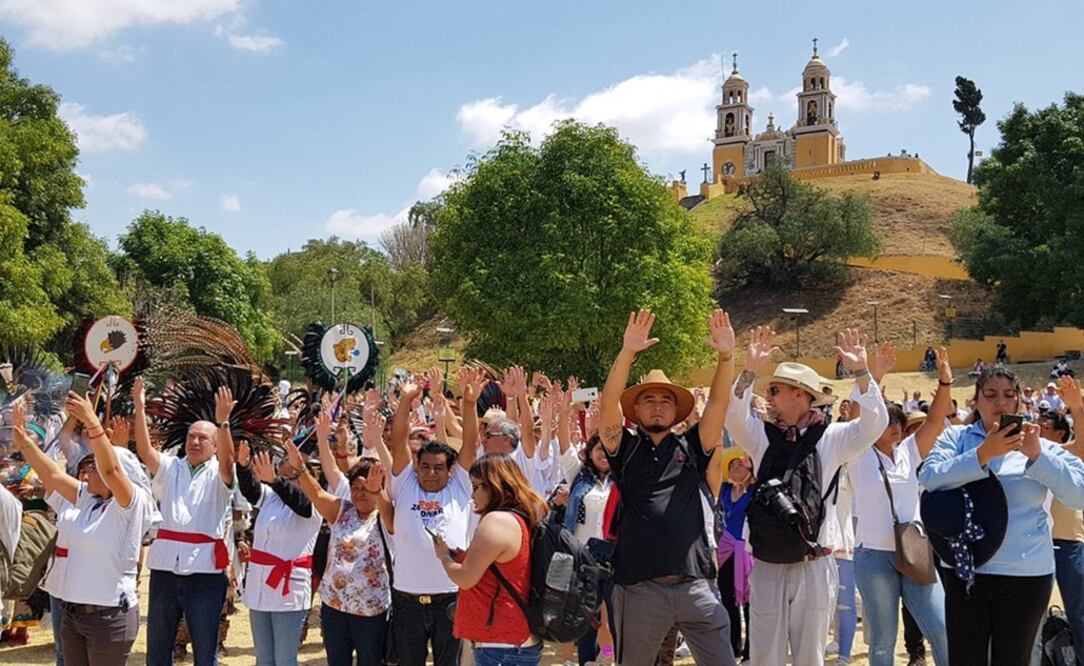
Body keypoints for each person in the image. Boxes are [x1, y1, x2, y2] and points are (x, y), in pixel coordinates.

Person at [724, 326, 888, 666]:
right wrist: (749, 370)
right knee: (764, 655)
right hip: (767, 562)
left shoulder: (832, 438)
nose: (768, 396)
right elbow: (732, 414)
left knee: (809, 656)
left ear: (800, 394)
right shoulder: (762, 437)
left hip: (814, 563)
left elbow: (875, 424)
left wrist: (861, 372)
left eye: (775, 389)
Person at [918, 363, 1084, 665]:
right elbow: (929, 477)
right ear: (976, 400)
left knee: (1014, 660)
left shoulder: (1040, 444)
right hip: (965, 571)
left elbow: (1079, 494)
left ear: (1020, 400)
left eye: (1009, 395)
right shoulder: (956, 438)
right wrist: (983, 453)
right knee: (965, 659)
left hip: (1026, 575)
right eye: (991, 395)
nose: (1001, 402)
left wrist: (1038, 456)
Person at [598, 309, 737, 666]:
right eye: (649, 400)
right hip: (640, 589)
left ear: (677, 411)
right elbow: (607, 403)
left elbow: (719, 403)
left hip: (696, 585)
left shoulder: (693, 445)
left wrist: (726, 357)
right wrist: (628, 352)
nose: (658, 406)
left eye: (665, 401)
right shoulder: (623, 449)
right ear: (636, 411)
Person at [12, 395, 155, 665]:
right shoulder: (87, 498)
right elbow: (52, 475)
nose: (87, 474)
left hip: (109, 617)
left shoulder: (130, 504)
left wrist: (92, 421)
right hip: (73, 614)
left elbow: (112, 470)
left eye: (94, 469)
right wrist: (25, 443)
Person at [850, 346, 953, 666]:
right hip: (873, 555)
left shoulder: (910, 450)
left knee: (942, 627)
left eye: (899, 420)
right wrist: (872, 373)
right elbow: (855, 415)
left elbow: (935, 421)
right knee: (882, 640)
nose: (895, 426)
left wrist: (946, 383)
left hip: (915, 549)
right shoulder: (857, 450)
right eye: (887, 420)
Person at [135, 377, 238, 666]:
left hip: (204, 572)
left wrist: (224, 424)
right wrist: (139, 407)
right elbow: (145, 451)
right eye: (191, 436)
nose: (194, 442)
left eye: (202, 438)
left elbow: (229, 464)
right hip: (165, 569)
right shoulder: (171, 468)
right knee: (157, 649)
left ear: (215, 445)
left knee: (205, 651)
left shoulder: (218, 475)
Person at [387, 374, 479, 666]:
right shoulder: (405, 484)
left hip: (450, 599)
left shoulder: (461, 486)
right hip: (406, 600)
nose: (430, 473)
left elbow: (470, 443)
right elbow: (399, 438)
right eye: (424, 466)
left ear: (451, 470)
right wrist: (405, 400)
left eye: (438, 468)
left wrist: (469, 403)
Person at [286, 434, 393, 666]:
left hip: (370, 611)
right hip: (334, 606)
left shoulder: (386, 516)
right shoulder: (341, 510)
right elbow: (316, 493)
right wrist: (300, 468)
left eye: (367, 488)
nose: (360, 493)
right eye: (355, 487)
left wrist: (378, 494)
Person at [435, 454, 548, 666]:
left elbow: (466, 578)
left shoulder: (496, 521)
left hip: (501, 643)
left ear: (494, 485)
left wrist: (444, 557)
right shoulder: (520, 517)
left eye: (477, 486)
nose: (472, 494)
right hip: (513, 640)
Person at [235, 439, 323, 666]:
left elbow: (298, 500)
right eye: (282, 476)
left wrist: (276, 480)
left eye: (289, 477)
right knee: (264, 659)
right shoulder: (272, 498)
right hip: (260, 586)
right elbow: (251, 491)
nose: (282, 482)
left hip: (288, 591)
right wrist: (243, 467)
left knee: (284, 659)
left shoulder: (314, 505)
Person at [1038, 380, 1084, 666]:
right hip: (1032, 545)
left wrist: (1077, 408)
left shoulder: (1068, 454)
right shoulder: (1023, 456)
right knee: (1030, 619)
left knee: (1080, 613)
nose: (1038, 428)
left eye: (1045, 426)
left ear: (1061, 433)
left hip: (1069, 543)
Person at [707, 447, 754, 662]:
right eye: (732, 465)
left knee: (749, 601)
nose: (736, 468)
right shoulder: (724, 490)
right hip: (726, 550)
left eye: (740, 465)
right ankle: (733, 645)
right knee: (728, 599)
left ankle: (750, 651)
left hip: (747, 552)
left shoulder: (754, 491)